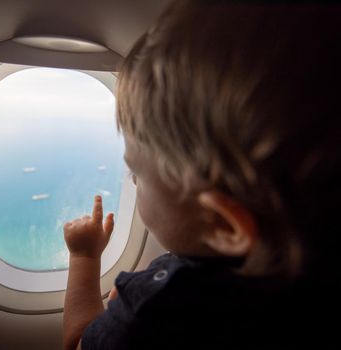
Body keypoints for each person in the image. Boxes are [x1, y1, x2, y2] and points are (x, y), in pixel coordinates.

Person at [62, 1, 341, 349]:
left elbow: (76, 341)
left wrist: (84, 258)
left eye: (137, 172)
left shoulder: (154, 315)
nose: (132, 181)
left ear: (223, 225)